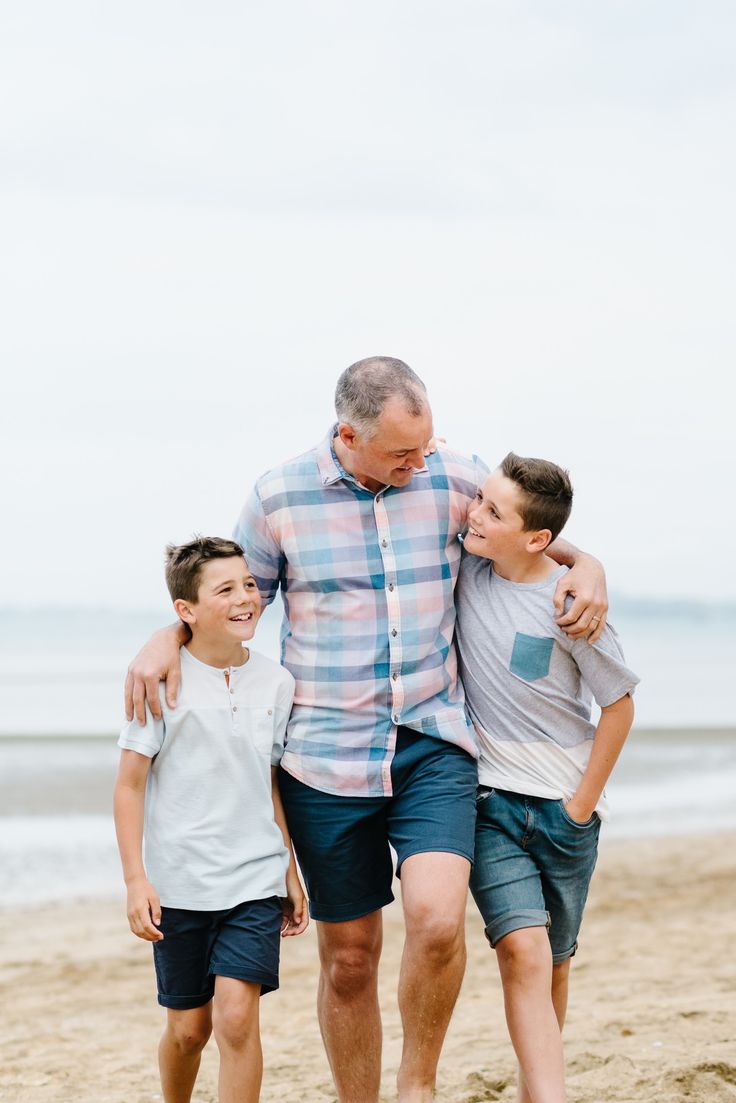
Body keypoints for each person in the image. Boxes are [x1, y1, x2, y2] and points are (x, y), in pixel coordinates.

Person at [124, 358, 609, 1103]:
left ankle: (416, 1087)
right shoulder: (278, 496)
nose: (422, 463)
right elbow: (224, 595)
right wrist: (166, 635)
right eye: (402, 454)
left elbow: (522, 535)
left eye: (425, 448)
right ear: (348, 434)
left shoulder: (450, 475)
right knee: (350, 956)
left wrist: (591, 563)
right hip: (323, 760)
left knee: (439, 919)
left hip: (433, 744)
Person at [455, 453, 638, 1103]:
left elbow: (618, 705)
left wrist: (581, 806)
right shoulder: (467, 572)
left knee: (554, 959)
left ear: (537, 539)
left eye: (493, 511)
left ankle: (539, 1088)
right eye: (480, 498)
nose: (475, 513)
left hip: (564, 813)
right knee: (523, 952)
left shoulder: (570, 601)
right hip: (491, 803)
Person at [114, 536, 308, 1103]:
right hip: (179, 885)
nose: (245, 596)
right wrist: (135, 880)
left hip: (254, 880)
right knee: (188, 1029)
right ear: (186, 611)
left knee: (237, 1019)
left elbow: (267, 781)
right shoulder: (159, 683)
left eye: (248, 583)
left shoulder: (277, 683)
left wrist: (288, 869)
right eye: (224, 589)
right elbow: (129, 786)